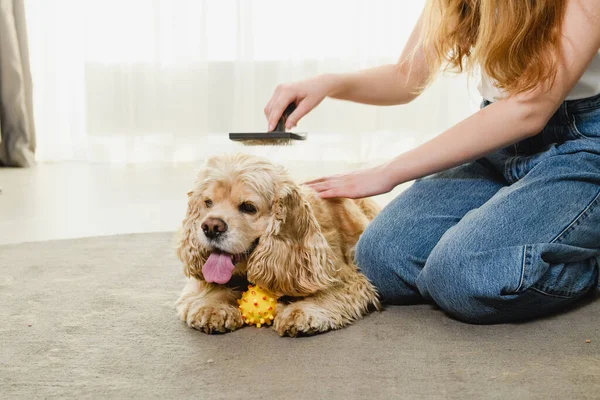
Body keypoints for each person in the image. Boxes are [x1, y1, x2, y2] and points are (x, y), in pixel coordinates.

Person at [264, 0, 600, 324]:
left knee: (462, 277)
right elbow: (406, 76)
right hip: (502, 144)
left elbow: (529, 109)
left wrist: (387, 173)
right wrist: (328, 83)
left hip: (581, 145)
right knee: (382, 258)